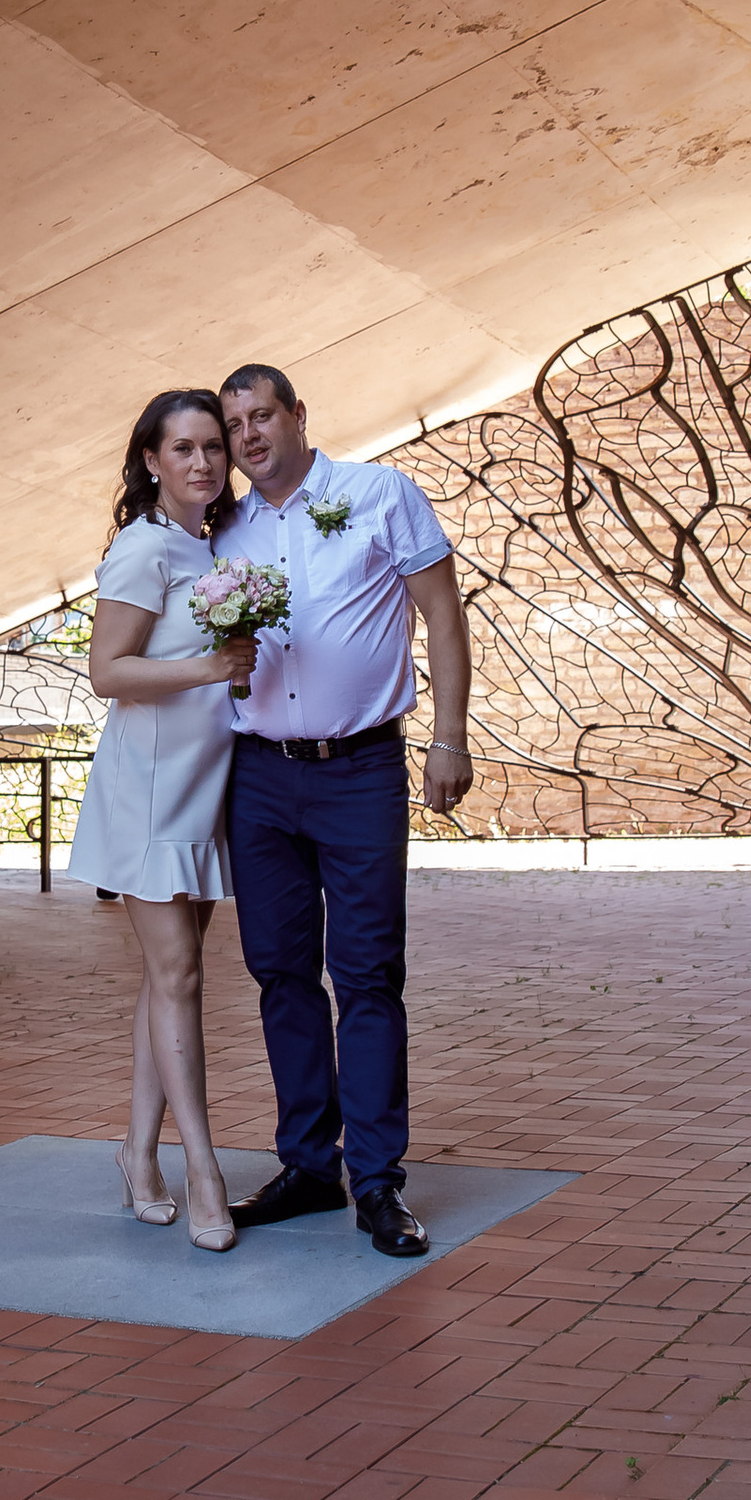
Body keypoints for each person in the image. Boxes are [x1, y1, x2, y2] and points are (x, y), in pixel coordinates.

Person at [216, 364, 474, 1258]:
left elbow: (442, 615)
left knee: (366, 975)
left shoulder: (378, 494)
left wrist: (450, 737)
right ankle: (307, 1166)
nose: (249, 435)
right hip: (257, 776)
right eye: (235, 422)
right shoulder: (226, 527)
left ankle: (376, 1182)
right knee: (280, 974)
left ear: (296, 416)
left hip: (359, 769)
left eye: (262, 415)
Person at [63, 391, 258, 1252]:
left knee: (165, 980)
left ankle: (138, 1154)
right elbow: (108, 672)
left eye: (213, 446)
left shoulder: (210, 546)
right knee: (178, 977)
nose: (203, 462)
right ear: (151, 460)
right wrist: (213, 665)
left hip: (205, 786)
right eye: (182, 448)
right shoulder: (144, 548)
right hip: (147, 793)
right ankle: (203, 1171)